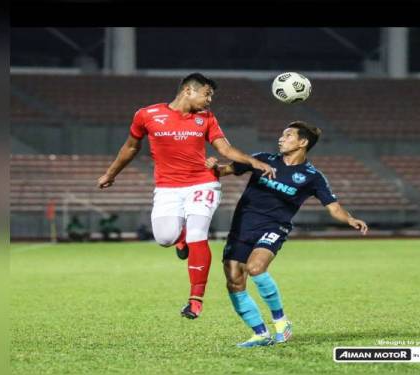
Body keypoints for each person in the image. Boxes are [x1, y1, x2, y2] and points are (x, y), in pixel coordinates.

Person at [97, 73, 276, 319]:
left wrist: (252, 162)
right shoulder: (146, 115)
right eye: (207, 93)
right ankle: (179, 238)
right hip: (167, 187)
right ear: (188, 91)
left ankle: (195, 300)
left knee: (198, 234)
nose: (210, 100)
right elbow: (130, 147)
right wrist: (111, 173)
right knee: (164, 238)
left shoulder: (207, 118)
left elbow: (224, 148)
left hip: (202, 183)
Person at [205, 121, 368, 347]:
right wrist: (213, 166)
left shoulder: (312, 176)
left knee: (255, 268)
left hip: (274, 226)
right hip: (242, 225)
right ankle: (260, 334)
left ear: (303, 142)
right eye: (282, 135)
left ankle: (281, 322)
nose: (281, 139)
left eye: (288, 135)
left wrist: (350, 219)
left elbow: (333, 207)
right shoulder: (263, 159)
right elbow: (224, 171)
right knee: (234, 280)